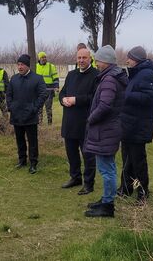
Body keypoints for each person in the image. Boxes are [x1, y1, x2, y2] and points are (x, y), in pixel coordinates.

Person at [83, 45, 127, 218]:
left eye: (98, 60)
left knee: (106, 169)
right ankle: (106, 199)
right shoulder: (113, 76)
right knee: (107, 167)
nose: (96, 64)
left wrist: (90, 118)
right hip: (110, 128)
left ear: (105, 61)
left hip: (106, 129)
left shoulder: (109, 79)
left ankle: (108, 207)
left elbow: (105, 106)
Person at [117, 46, 153, 205]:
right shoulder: (136, 73)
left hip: (138, 126)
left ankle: (143, 192)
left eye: (129, 57)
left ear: (137, 59)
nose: (127, 60)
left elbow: (152, 97)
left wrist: (127, 96)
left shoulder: (147, 74)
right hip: (129, 124)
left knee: (138, 161)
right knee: (127, 159)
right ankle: (126, 188)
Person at [59, 48, 98, 195]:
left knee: (88, 154)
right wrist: (63, 99)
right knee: (71, 153)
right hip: (69, 121)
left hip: (85, 122)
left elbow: (94, 97)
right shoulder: (71, 75)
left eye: (84, 58)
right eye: (79, 58)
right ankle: (75, 177)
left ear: (90, 59)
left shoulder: (96, 75)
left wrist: (76, 100)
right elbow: (63, 92)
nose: (81, 60)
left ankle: (89, 183)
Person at [7, 54, 47, 174]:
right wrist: (11, 107)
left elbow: (43, 95)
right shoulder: (14, 79)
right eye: (18, 64)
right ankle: (22, 160)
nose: (20, 67)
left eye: (22, 65)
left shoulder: (37, 78)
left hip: (30, 116)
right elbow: (8, 94)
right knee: (20, 140)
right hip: (16, 115)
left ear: (28, 66)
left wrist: (34, 108)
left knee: (32, 141)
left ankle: (33, 163)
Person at [36, 52, 59, 125]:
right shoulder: (35, 66)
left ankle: (50, 123)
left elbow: (55, 77)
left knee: (48, 108)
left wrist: (56, 87)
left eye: (45, 57)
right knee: (39, 108)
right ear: (39, 58)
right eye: (42, 57)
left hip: (49, 91)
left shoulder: (50, 66)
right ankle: (40, 122)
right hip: (39, 91)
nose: (44, 58)